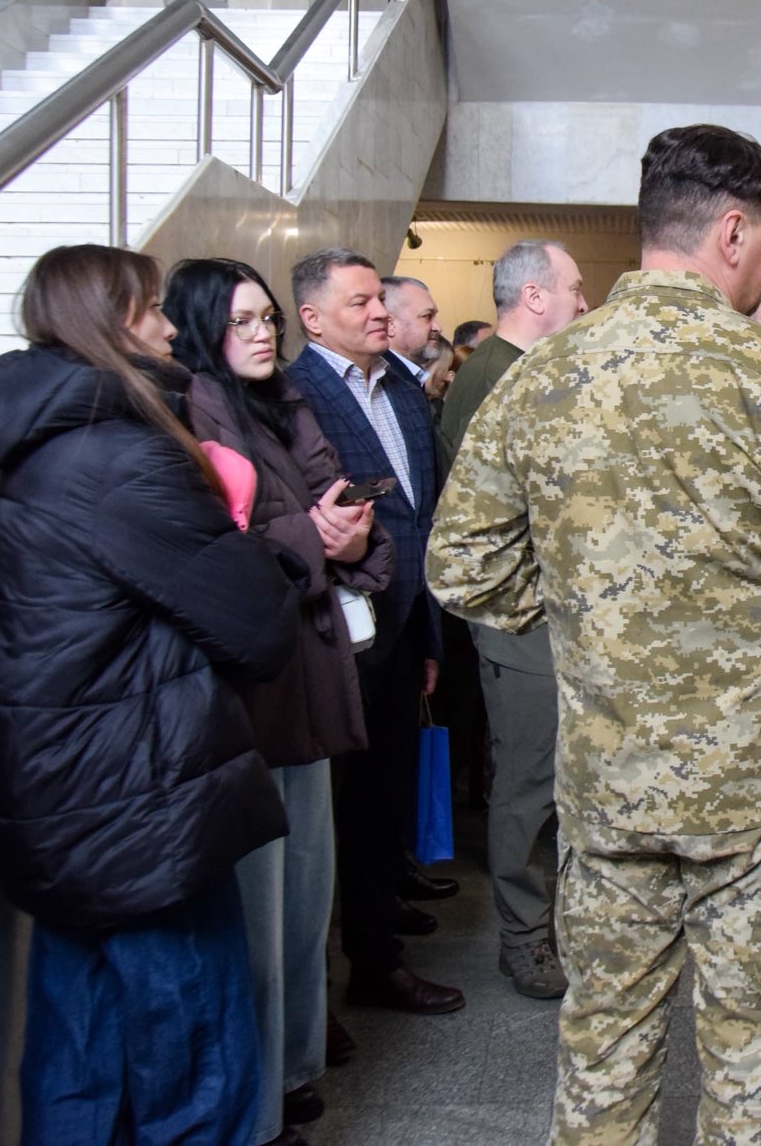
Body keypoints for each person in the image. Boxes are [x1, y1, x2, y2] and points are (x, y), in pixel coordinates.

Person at [428, 124, 761, 1143]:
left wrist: (590, 616)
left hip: (609, 796)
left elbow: (460, 564)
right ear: (731, 230)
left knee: (602, 1057)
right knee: (755, 1076)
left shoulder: (539, 379)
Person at [0, 244, 301, 1145]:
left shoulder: (47, 441)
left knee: (79, 1062)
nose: (168, 329)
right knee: (196, 1069)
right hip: (137, 807)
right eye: (152, 308)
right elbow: (257, 627)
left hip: (62, 803)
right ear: (114, 323)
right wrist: (288, 554)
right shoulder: (119, 457)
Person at [166, 258, 396, 1146]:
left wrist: (348, 531)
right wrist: (317, 535)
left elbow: (328, 500)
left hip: (313, 672)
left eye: (268, 319)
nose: (263, 335)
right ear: (202, 334)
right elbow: (215, 553)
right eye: (242, 323)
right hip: (254, 685)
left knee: (307, 900)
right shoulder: (196, 409)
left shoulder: (283, 403)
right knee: (260, 918)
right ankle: (258, 1107)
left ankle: (297, 1070)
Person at [284, 249, 464, 1016]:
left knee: (384, 788)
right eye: (359, 303)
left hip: (402, 620)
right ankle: (355, 964)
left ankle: (378, 930)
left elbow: (419, 519)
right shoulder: (296, 396)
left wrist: (426, 633)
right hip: (341, 630)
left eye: (379, 302)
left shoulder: (403, 389)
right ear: (313, 317)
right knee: (341, 804)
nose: (379, 314)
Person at [431, 240, 587, 998]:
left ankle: (551, 926)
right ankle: (524, 938)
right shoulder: (495, 378)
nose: (583, 304)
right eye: (574, 288)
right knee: (526, 786)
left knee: (551, 780)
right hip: (519, 619)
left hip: (547, 615)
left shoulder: (517, 371)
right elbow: (493, 519)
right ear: (534, 296)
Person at [380, 274, 443, 384]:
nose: (438, 328)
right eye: (427, 316)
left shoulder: (409, 376)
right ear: (390, 325)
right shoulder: (384, 380)